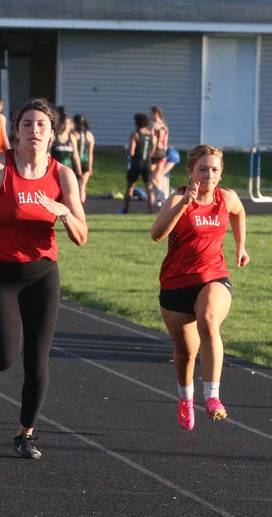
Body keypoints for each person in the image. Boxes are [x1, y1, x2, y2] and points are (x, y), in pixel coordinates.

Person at [0, 98, 87, 459]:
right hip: (1, 272)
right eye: (27, 124)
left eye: (42, 125)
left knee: (38, 359)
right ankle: (22, 422)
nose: (34, 131)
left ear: (53, 133)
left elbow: (81, 235)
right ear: (16, 130)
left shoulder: (62, 175)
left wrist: (63, 212)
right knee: (3, 358)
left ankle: (26, 433)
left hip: (43, 273)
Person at [150, 144, 249, 431]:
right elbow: (157, 234)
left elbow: (239, 211)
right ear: (191, 171)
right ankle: (185, 398)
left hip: (213, 276)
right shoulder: (178, 198)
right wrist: (183, 206)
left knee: (208, 320)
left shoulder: (226, 197)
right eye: (203, 169)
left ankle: (213, 397)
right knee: (185, 354)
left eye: (215, 169)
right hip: (176, 285)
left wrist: (241, 246)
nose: (209, 175)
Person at [121, 113, 157, 214]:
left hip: (136, 163)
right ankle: (151, 210)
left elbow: (131, 151)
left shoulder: (135, 134)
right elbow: (152, 151)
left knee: (130, 186)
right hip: (147, 163)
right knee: (149, 188)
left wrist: (127, 151)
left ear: (137, 123)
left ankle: (125, 210)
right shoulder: (152, 136)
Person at [50, 114, 81, 178]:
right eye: (64, 123)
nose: (66, 126)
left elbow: (76, 155)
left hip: (69, 171)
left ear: (71, 125)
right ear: (60, 124)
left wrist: (79, 170)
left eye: (68, 124)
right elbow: (47, 153)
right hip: (55, 171)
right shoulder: (54, 137)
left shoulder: (72, 138)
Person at [73, 114, 95, 203]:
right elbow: (90, 153)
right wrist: (90, 166)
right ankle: (81, 202)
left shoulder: (74, 134)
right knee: (83, 187)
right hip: (86, 162)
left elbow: (75, 153)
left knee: (78, 186)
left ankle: (78, 204)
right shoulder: (89, 135)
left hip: (77, 163)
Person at [151, 106, 171, 202]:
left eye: (152, 113)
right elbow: (166, 141)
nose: (151, 116)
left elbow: (153, 140)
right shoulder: (164, 125)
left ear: (156, 114)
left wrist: (152, 152)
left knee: (153, 177)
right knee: (158, 176)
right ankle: (160, 195)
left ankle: (161, 194)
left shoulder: (155, 125)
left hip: (156, 152)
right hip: (163, 152)